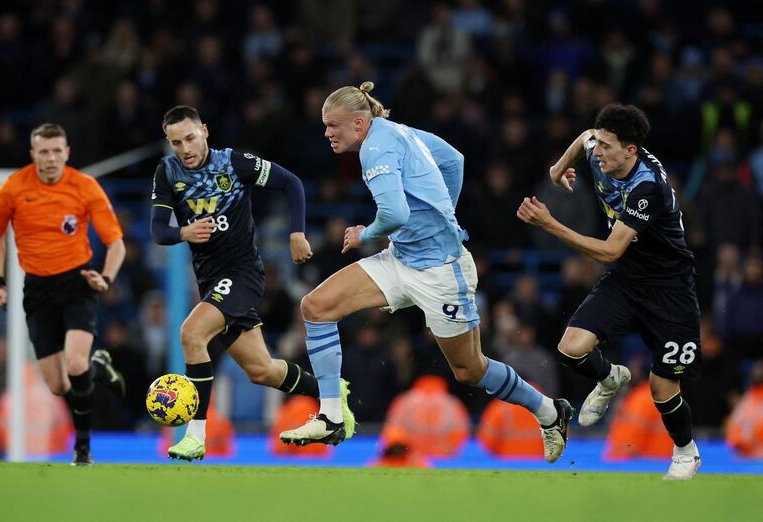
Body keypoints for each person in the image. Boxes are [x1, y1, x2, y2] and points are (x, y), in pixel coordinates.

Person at [279, 82, 573, 463]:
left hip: (441, 271)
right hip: (401, 258)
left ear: (358, 121)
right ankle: (332, 416)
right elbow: (454, 161)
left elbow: (395, 214)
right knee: (316, 307)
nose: (327, 133)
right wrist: (440, 211)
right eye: (324, 125)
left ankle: (550, 411)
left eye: (332, 125)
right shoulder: (398, 131)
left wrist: (363, 233)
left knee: (469, 370)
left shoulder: (375, 148)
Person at [150, 105, 354, 462]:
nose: (185, 148)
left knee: (192, 333)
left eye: (190, 138)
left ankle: (195, 436)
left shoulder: (235, 164)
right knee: (262, 370)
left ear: (206, 131)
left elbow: (291, 183)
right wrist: (185, 231)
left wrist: (296, 234)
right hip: (212, 282)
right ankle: (332, 392)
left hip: (243, 274)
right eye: (176, 142)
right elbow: (158, 231)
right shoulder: (167, 172)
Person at [517, 103, 703, 479]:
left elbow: (609, 250)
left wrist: (551, 223)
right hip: (628, 278)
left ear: (630, 151)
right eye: (599, 144)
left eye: (606, 146)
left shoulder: (646, 187)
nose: (597, 152)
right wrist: (556, 171)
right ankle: (608, 376)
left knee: (662, 385)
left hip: (670, 288)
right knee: (570, 347)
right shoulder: (598, 148)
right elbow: (584, 136)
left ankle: (685, 452)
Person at [0, 123, 127, 465]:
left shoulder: (85, 186)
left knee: (74, 362)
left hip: (77, 282)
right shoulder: (13, 187)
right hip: (37, 288)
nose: (50, 158)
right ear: (33, 155)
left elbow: (115, 242)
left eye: (56, 151)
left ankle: (83, 449)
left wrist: (105, 279)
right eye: (43, 152)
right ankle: (98, 364)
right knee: (58, 386)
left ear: (67, 153)